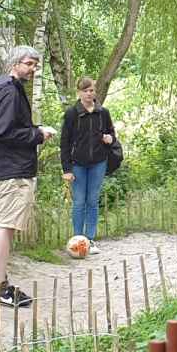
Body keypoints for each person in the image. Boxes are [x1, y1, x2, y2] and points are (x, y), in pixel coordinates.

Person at [0, 47, 53, 306]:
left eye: (35, 64)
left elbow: (10, 128)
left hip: (6, 167)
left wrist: (35, 129)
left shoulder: (6, 88)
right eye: (29, 64)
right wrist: (37, 135)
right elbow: (4, 133)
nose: (33, 69)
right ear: (15, 64)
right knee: (5, 226)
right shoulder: (10, 92)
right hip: (14, 169)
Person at [59, 76, 117, 253]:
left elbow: (111, 133)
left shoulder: (103, 113)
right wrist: (67, 169)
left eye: (91, 90)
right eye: (85, 91)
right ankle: (78, 240)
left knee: (92, 200)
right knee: (79, 202)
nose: (89, 94)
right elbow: (65, 143)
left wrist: (110, 138)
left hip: (98, 163)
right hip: (78, 164)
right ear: (79, 93)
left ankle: (90, 240)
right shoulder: (71, 113)